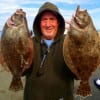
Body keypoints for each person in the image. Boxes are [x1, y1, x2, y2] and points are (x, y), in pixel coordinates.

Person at [7, 1, 77, 100]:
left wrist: (81, 38)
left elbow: (78, 74)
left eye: (52, 19)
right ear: (39, 23)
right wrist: (8, 29)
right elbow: (20, 70)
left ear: (58, 22)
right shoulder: (28, 42)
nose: (48, 24)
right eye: (44, 19)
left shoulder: (70, 42)